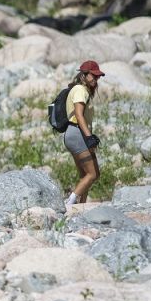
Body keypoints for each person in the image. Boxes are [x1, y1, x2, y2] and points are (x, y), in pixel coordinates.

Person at [63, 60, 104, 207]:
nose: (96, 79)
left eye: (98, 76)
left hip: (74, 134)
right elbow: (79, 115)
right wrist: (89, 137)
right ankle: (69, 204)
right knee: (93, 174)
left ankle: (80, 207)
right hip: (77, 133)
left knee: (85, 176)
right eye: (93, 75)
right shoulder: (80, 90)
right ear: (84, 75)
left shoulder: (82, 90)